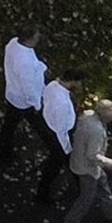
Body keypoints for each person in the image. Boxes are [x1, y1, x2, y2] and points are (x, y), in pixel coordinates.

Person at [61, 99, 112, 223]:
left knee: (103, 185)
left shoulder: (88, 116)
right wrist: (111, 163)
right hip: (87, 168)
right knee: (86, 198)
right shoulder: (96, 130)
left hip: (80, 161)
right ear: (105, 116)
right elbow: (93, 155)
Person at [0, 24, 48, 164]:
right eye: (36, 36)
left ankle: (3, 152)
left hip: (13, 94)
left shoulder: (13, 44)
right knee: (41, 125)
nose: (38, 38)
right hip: (25, 102)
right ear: (30, 39)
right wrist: (36, 104)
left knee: (9, 125)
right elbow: (28, 87)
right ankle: (55, 147)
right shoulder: (25, 63)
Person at [36, 68, 85, 204]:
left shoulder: (52, 86)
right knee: (56, 165)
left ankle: (80, 185)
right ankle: (42, 194)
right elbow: (61, 130)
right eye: (79, 83)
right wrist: (67, 147)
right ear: (72, 82)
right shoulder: (62, 103)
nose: (80, 86)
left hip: (50, 127)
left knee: (64, 162)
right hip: (60, 135)